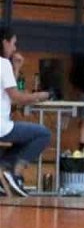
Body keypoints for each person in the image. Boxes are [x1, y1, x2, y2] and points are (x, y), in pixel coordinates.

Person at [0, 28, 54, 197]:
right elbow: (16, 97)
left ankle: (3, 172)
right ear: (4, 42)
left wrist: (16, 68)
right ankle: (14, 173)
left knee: (23, 138)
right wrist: (40, 96)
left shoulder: (6, 65)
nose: (14, 49)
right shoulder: (3, 63)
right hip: (2, 127)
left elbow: (6, 89)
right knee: (42, 134)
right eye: (13, 43)